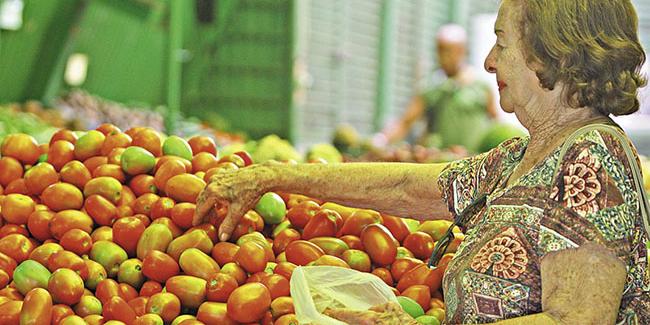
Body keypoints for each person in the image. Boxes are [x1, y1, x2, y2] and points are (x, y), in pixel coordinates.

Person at [193, 0, 650, 323]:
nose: (489, 62)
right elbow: (407, 187)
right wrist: (273, 177)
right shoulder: (524, 156)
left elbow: (574, 321)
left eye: (502, 42)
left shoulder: (591, 159)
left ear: (551, 51)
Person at [378, 24, 498, 152]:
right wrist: (381, 140)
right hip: (440, 162)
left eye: (451, 50)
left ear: (462, 51)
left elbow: (496, 122)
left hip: (474, 162)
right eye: (441, 50)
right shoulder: (431, 88)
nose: (445, 57)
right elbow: (405, 122)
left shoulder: (480, 87)